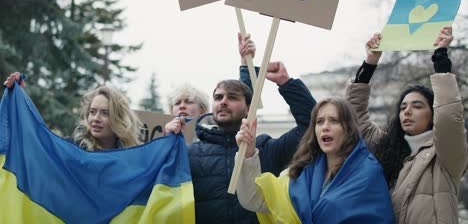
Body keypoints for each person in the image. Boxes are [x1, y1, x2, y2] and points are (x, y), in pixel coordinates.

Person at [166, 61, 316, 223]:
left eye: (232, 97)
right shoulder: (190, 153)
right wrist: (168, 145)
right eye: (218, 97)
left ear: (248, 108)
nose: (223, 101)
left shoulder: (266, 148)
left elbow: (311, 125)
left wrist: (286, 83)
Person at [345, 26, 467, 223]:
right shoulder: (388, 146)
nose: (407, 112)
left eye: (417, 106)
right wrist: (369, 64)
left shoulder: (445, 155)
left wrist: (441, 57)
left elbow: (449, 116)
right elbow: (353, 117)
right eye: (402, 107)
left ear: (433, 114)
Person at [235, 98, 394, 223]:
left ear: (349, 129)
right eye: (319, 122)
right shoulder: (299, 172)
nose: (325, 127)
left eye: (334, 120)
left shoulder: (368, 173)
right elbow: (254, 199)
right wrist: (248, 153)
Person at [3, 73, 142, 151]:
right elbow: (37, 146)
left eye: (105, 113)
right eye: (92, 112)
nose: (96, 118)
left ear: (118, 118)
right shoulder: (72, 149)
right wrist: (18, 98)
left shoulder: (131, 157)